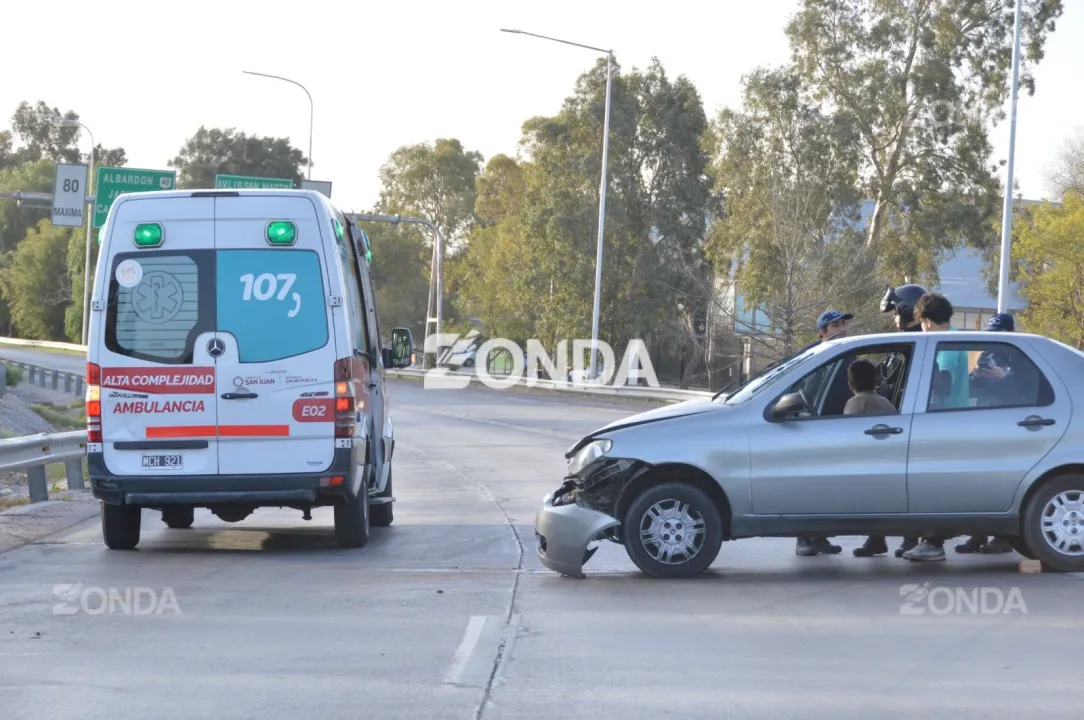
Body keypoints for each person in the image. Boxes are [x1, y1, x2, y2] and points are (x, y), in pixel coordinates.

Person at [853, 285, 927, 558]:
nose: (894, 319)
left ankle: (911, 536)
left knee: (909, 485)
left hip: (907, 428)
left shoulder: (918, 344)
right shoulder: (902, 345)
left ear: (906, 310)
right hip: (889, 426)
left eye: (896, 312)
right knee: (878, 486)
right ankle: (877, 538)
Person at [902, 291, 969, 562]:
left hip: (944, 425)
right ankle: (929, 540)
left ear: (926, 320)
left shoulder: (944, 347)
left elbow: (942, 385)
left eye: (920, 322)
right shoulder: (954, 338)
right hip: (955, 422)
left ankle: (933, 542)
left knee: (935, 487)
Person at [954, 312, 1018, 555]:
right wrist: (976, 376)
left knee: (1005, 485)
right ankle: (977, 534)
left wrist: (1005, 379)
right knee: (981, 485)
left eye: (998, 335)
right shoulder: (986, 355)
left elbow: (1024, 392)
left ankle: (1005, 537)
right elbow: (970, 384)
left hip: (1010, 427)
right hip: (986, 426)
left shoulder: (1019, 357)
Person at [795, 309, 852, 558]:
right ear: (822, 333)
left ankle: (821, 537)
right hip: (813, 430)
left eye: (843, 324)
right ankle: (803, 538)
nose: (842, 328)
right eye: (835, 325)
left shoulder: (850, 355)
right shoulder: (811, 355)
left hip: (839, 430)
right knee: (809, 488)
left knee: (829, 489)